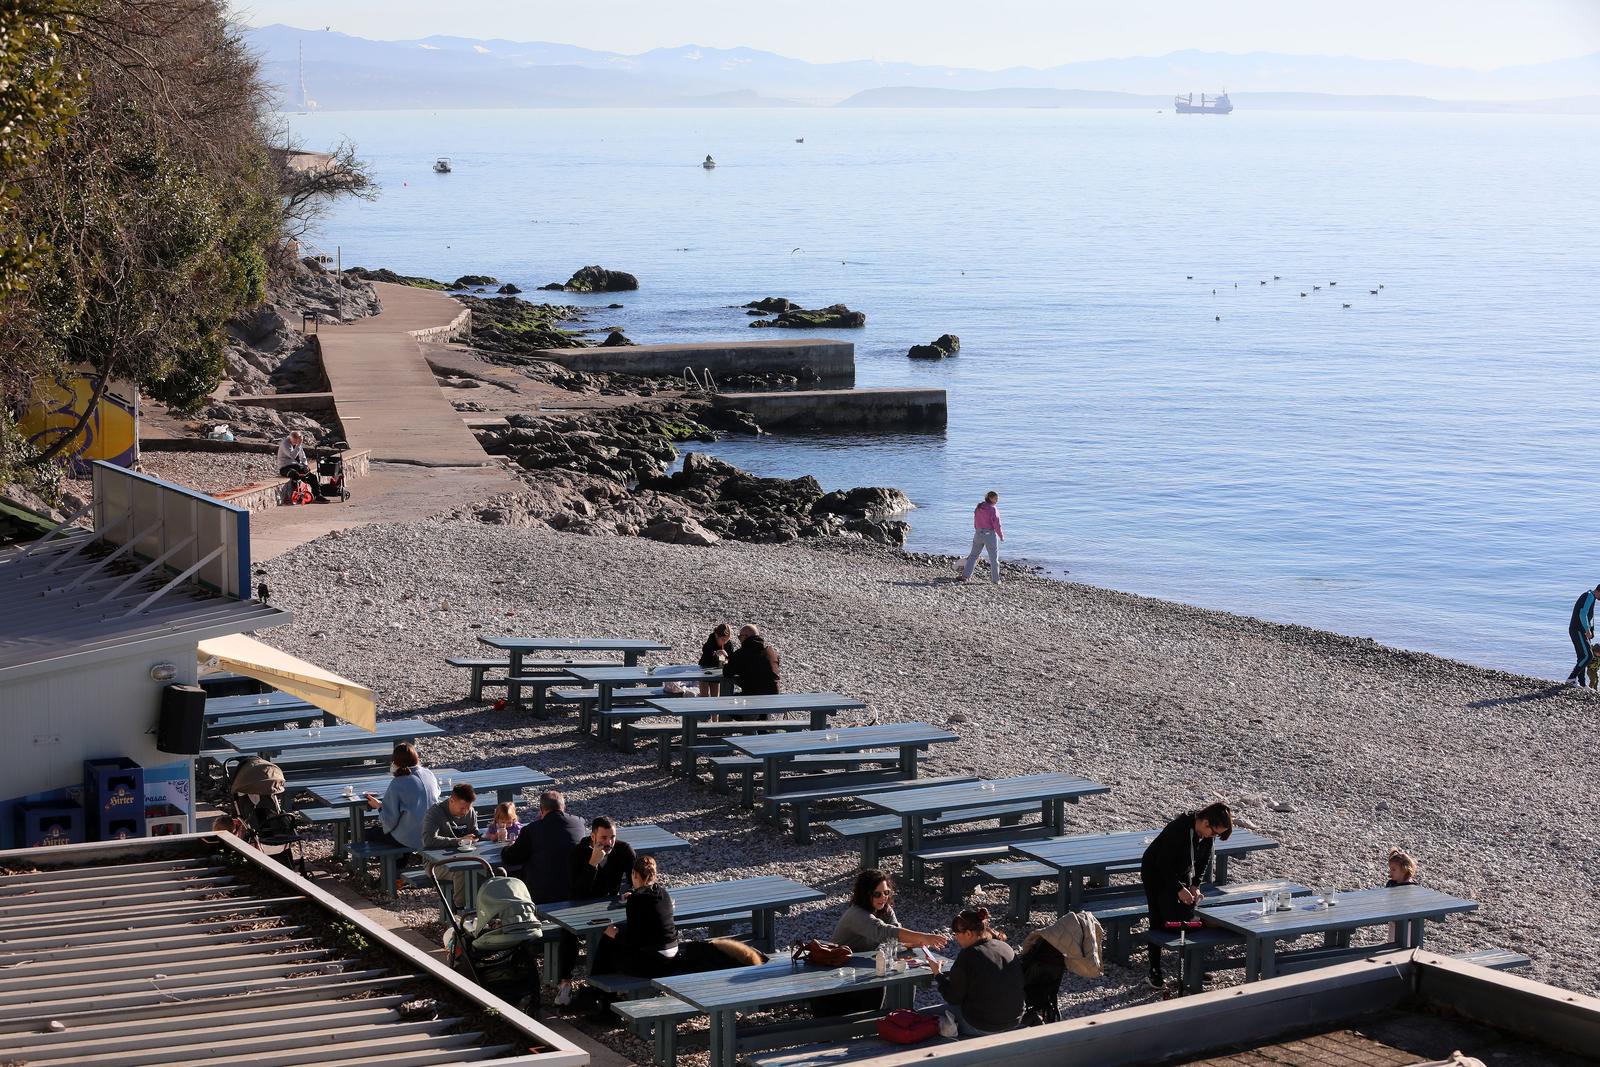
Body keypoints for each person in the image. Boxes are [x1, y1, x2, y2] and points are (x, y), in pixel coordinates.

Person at [816, 869, 950, 1017]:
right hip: (837, 975)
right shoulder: (856, 915)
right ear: (865, 894)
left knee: (885, 981)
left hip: (860, 970)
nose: (883, 897)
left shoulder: (885, 909)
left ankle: (895, 1022)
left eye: (887, 893)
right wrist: (923, 937)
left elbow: (896, 935)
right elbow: (885, 932)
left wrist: (916, 942)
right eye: (877, 894)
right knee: (878, 985)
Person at [503, 790, 587, 1003]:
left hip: (542, 896)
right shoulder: (579, 823)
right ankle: (565, 979)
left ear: (541, 810)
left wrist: (506, 848)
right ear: (564, 807)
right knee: (567, 928)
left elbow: (513, 856)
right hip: (575, 893)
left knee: (516, 877)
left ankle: (522, 959)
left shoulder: (533, 829)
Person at [1139, 801, 1233, 990]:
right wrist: (1178, 889)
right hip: (1155, 872)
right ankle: (1154, 971)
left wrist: (1195, 885)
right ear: (1205, 822)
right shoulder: (1178, 829)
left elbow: (1205, 859)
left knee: (1188, 916)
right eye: (1215, 833)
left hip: (1181, 871)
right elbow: (1162, 864)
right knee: (1157, 919)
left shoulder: (1206, 834)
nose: (1213, 837)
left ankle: (1192, 967)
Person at [553, 815, 638, 1005]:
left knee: (626, 930)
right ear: (593, 837)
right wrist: (592, 864)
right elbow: (576, 892)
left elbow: (636, 882)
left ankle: (615, 983)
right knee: (568, 931)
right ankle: (565, 982)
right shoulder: (578, 853)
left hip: (610, 905)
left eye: (612, 837)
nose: (608, 842)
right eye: (604, 838)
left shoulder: (624, 850)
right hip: (580, 905)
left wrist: (629, 892)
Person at [922, 907, 1025, 1037]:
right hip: (1014, 1019)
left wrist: (938, 974)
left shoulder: (969, 955)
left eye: (957, 934)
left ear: (969, 934)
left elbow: (953, 997)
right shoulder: (1005, 947)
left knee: (921, 1015)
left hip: (983, 1025)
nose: (956, 938)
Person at [591, 854, 678, 981]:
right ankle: (607, 992)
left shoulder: (636, 901)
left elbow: (634, 940)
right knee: (616, 939)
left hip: (655, 963)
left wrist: (615, 935)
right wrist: (633, 893)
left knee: (608, 942)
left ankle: (598, 987)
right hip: (673, 957)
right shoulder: (663, 893)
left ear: (634, 874)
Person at [362, 743, 441, 853]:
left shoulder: (398, 782)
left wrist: (379, 806)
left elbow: (390, 820)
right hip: (432, 832)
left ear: (395, 762)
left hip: (410, 837)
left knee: (370, 833)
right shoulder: (429, 774)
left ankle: (393, 863)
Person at [958, 491, 1004, 584]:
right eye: (996, 498)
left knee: (973, 556)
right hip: (989, 535)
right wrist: (1001, 536)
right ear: (991, 498)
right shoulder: (993, 509)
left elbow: (975, 520)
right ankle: (995, 580)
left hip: (978, 533)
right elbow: (997, 525)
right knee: (993, 558)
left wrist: (977, 530)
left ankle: (966, 576)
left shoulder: (979, 507)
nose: (997, 500)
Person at [724, 624, 780, 696]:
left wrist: (725, 662)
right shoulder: (772, 652)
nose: (739, 640)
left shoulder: (741, 653)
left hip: (753, 696)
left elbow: (727, 672)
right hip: (774, 695)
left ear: (745, 637)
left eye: (740, 637)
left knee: (728, 699)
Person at [277, 430, 328, 503]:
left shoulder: (298, 444)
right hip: (285, 466)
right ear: (290, 438)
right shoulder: (285, 444)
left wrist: (305, 465)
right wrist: (298, 445)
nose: (295, 443)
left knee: (312, 477)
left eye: (296, 441)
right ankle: (297, 495)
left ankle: (317, 495)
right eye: (294, 441)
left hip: (295, 464)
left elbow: (302, 456)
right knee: (295, 474)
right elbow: (292, 456)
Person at [1567, 583, 1598, 687]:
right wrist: (1587, 630)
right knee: (1588, 656)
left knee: (1582, 656)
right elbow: (1582, 613)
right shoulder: (1589, 596)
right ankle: (1571, 678)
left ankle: (1582, 684)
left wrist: (1591, 630)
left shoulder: (1591, 597)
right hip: (1578, 630)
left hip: (1580, 630)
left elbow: (1590, 616)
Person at [698, 623, 735, 697]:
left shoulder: (728, 644)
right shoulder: (711, 640)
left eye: (727, 640)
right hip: (705, 667)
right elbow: (706, 650)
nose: (725, 642)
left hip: (717, 669)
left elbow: (731, 657)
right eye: (723, 639)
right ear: (716, 635)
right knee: (704, 694)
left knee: (715, 695)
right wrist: (715, 653)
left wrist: (727, 657)